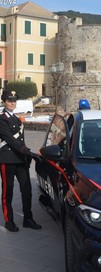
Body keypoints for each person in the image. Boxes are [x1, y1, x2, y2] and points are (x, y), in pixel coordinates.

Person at [0, 90, 42, 232]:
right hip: (7, 159)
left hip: (20, 159)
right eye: (9, 100)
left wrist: (27, 153)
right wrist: (25, 150)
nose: (12, 103)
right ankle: (9, 220)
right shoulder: (1, 119)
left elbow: (20, 140)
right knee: (8, 191)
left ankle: (28, 219)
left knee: (26, 189)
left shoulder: (17, 119)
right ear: (4, 102)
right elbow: (10, 140)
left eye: (14, 101)